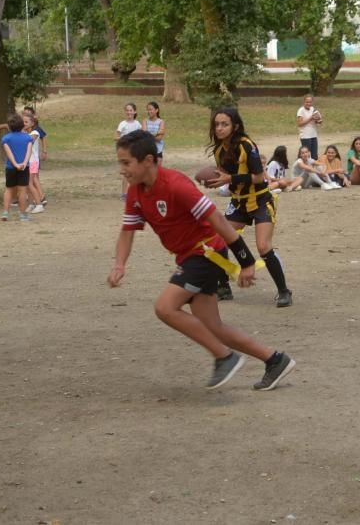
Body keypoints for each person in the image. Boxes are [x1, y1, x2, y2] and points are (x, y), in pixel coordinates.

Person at [108, 130, 296, 390]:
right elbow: (127, 231)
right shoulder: (136, 193)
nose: (122, 170)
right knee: (212, 325)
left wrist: (246, 260)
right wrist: (119, 264)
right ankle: (275, 360)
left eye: (126, 162)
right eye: (120, 163)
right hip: (191, 256)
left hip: (206, 253)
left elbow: (217, 219)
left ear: (148, 160)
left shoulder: (175, 185)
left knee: (165, 307)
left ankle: (225, 357)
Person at [206, 108, 294, 308]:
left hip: (260, 199)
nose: (219, 128)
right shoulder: (219, 150)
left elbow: (259, 177)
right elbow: (224, 173)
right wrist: (214, 179)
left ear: (235, 126)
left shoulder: (247, 146)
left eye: (224, 124)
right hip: (239, 202)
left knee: (263, 246)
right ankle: (223, 287)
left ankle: (284, 291)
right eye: (217, 124)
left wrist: (230, 178)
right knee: (217, 239)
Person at [1, 113, 33, 222]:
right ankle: (23, 215)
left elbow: (8, 153)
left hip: (10, 168)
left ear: (9, 126)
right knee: (22, 191)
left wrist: (15, 164)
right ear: (21, 125)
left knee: (9, 190)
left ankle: (5, 212)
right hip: (24, 168)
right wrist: (23, 163)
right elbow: (29, 152)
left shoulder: (6, 138)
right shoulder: (28, 138)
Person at [115, 103, 141, 199]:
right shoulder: (122, 124)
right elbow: (116, 137)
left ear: (135, 112)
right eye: (127, 110)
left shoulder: (137, 124)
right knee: (126, 173)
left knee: (134, 172)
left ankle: (134, 193)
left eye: (131, 110)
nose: (129, 112)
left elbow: (140, 136)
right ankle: (124, 193)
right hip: (125, 152)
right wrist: (125, 139)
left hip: (134, 151)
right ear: (125, 112)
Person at [23, 113, 45, 214]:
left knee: (29, 183)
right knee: (27, 184)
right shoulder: (25, 133)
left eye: (26, 122)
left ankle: (39, 204)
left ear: (32, 123)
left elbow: (30, 140)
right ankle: (31, 204)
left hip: (33, 162)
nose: (24, 124)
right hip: (27, 162)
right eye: (23, 122)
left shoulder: (35, 133)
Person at [296, 95, 322, 162]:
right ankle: (302, 167)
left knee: (314, 155)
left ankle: (314, 170)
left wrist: (318, 121)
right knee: (306, 155)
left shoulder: (313, 109)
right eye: (307, 102)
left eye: (310, 102)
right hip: (305, 136)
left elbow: (319, 121)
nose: (308, 104)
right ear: (304, 102)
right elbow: (299, 124)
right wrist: (311, 118)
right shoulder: (301, 110)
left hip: (313, 134)